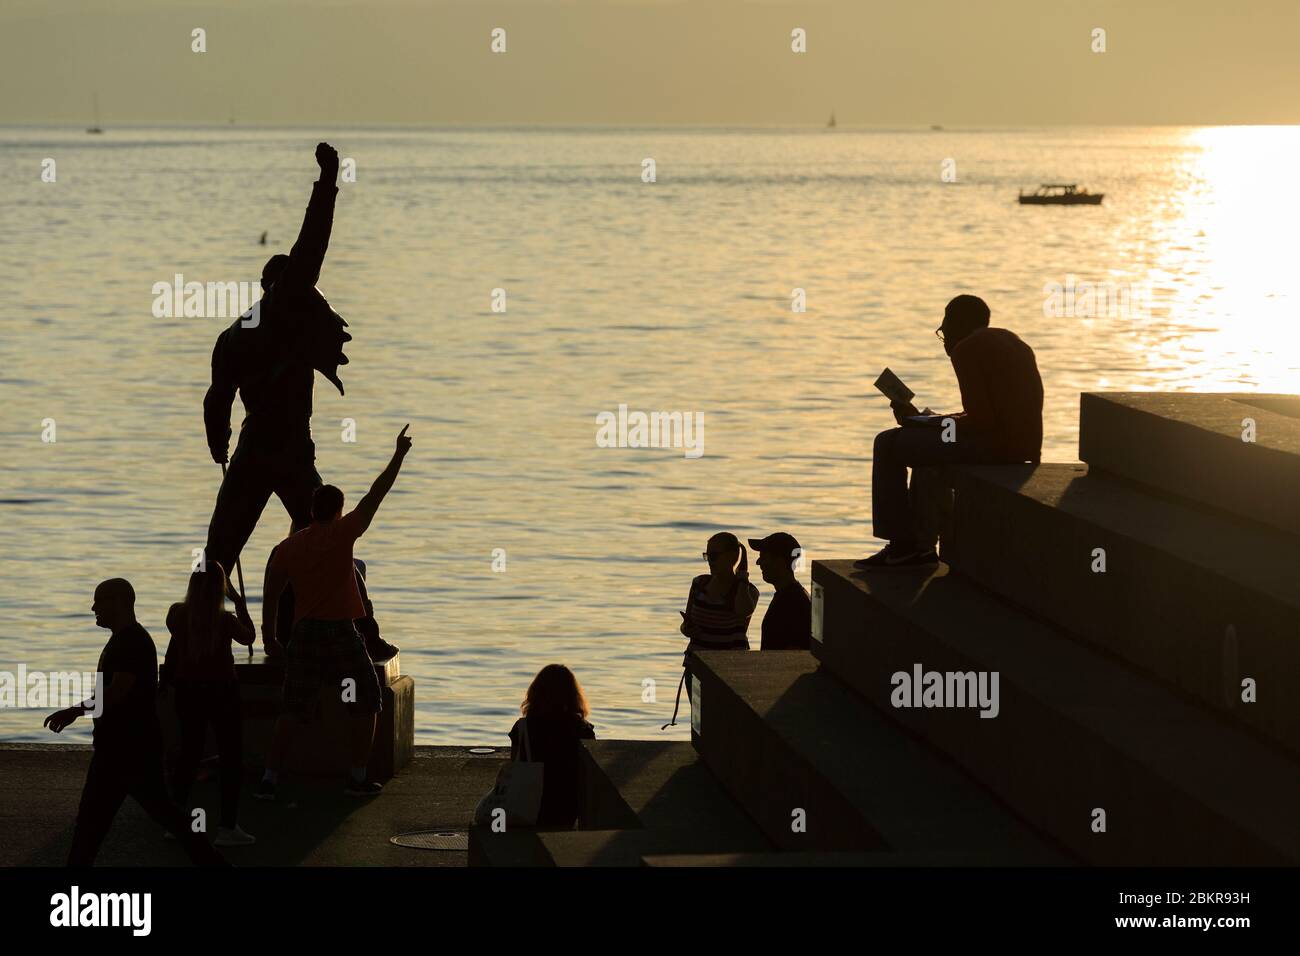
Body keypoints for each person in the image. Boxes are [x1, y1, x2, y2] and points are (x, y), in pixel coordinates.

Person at [202, 142, 351, 655]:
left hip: (257, 450)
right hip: (284, 450)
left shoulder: (233, 333)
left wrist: (217, 439)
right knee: (324, 544)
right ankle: (229, 634)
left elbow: (216, 397)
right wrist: (327, 183)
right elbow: (313, 242)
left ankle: (224, 634)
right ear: (278, 287)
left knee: (221, 550)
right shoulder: (281, 309)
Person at [256, 425, 413, 800]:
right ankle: (356, 776)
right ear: (339, 511)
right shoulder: (345, 533)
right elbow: (378, 493)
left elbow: (272, 592)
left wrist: (270, 636)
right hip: (342, 632)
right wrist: (399, 454)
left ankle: (269, 779)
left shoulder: (288, 547)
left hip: (305, 633)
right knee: (369, 700)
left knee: (292, 710)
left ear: (311, 511)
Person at [44, 579, 227, 866]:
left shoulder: (133, 642)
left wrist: (74, 711)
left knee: (136, 818)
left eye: (99, 601)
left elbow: (117, 693)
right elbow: (111, 692)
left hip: (129, 750)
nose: (93, 608)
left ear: (118, 602)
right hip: (120, 748)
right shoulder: (122, 640)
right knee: (105, 822)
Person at [857, 295, 1043, 571]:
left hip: (998, 446)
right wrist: (931, 421)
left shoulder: (966, 349)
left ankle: (902, 544)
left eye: (945, 324)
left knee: (887, 443)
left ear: (957, 323)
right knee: (924, 450)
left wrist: (924, 423)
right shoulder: (1012, 341)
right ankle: (921, 547)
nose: (942, 332)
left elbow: (982, 421)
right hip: (1022, 445)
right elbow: (989, 413)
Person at [160, 562, 256, 846]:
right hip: (222, 691)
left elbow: (175, 644)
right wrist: (239, 603)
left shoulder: (176, 614)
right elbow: (249, 637)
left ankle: (174, 822)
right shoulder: (224, 621)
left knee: (189, 753)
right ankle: (227, 827)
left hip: (188, 691)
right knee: (231, 757)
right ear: (221, 589)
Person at [668, 532, 758, 724]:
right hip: (696, 663)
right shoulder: (699, 583)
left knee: (726, 720)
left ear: (732, 557)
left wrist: (742, 576)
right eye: (707, 556)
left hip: (730, 668)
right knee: (701, 721)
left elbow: (743, 612)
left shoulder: (747, 591)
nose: (710, 561)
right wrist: (687, 628)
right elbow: (686, 625)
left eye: (715, 556)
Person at [508, 665, 596, 829]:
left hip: (530, 802)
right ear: (572, 695)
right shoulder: (582, 729)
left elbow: (515, 765)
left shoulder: (523, 728)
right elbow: (587, 776)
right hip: (566, 805)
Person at [749, 532, 811, 650]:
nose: (758, 562)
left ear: (780, 561)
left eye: (764, 557)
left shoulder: (792, 602)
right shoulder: (791, 596)